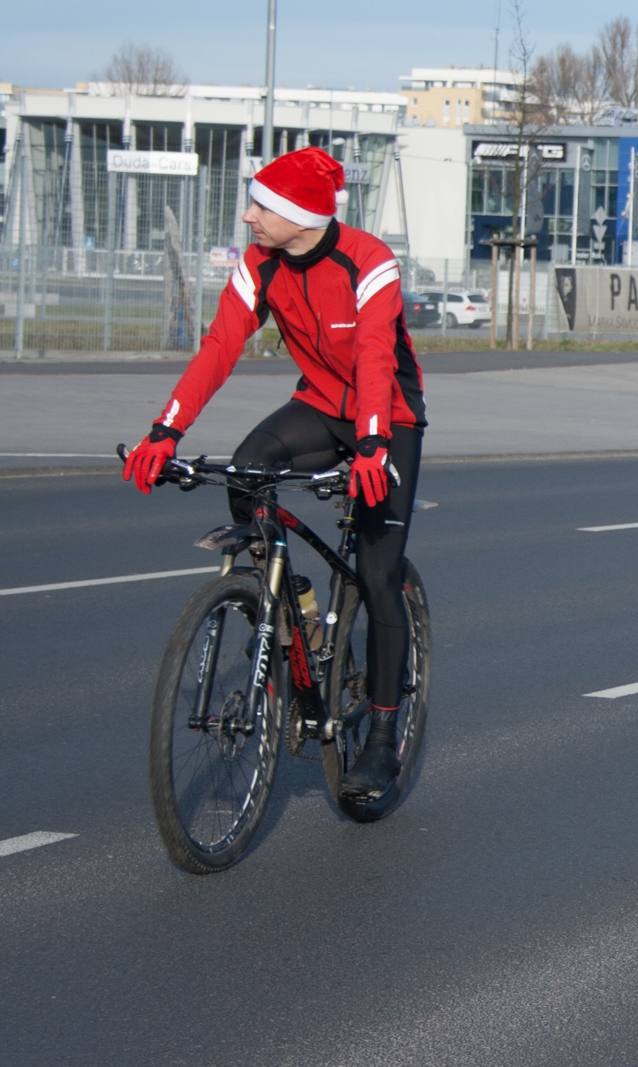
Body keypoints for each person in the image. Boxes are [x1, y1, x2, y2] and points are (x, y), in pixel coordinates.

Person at [122, 146, 426, 802]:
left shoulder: (369, 261)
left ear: (300, 215)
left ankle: (379, 735)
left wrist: (373, 444)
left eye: (261, 205)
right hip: (319, 405)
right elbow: (220, 345)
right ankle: (300, 610)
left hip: (388, 420)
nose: (248, 216)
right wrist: (165, 430)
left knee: (378, 573)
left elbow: (376, 355)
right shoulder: (260, 262)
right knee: (246, 470)